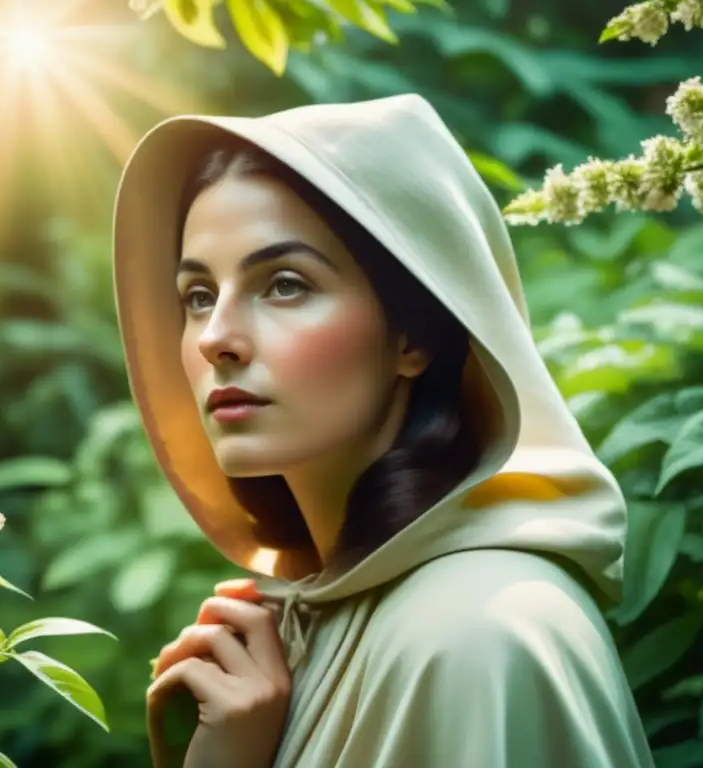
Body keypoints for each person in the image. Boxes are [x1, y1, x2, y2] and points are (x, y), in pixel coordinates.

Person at [111, 93, 655, 768]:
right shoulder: (298, 633)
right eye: (197, 296)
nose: (216, 337)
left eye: (283, 284)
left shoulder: (479, 636)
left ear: (413, 335)